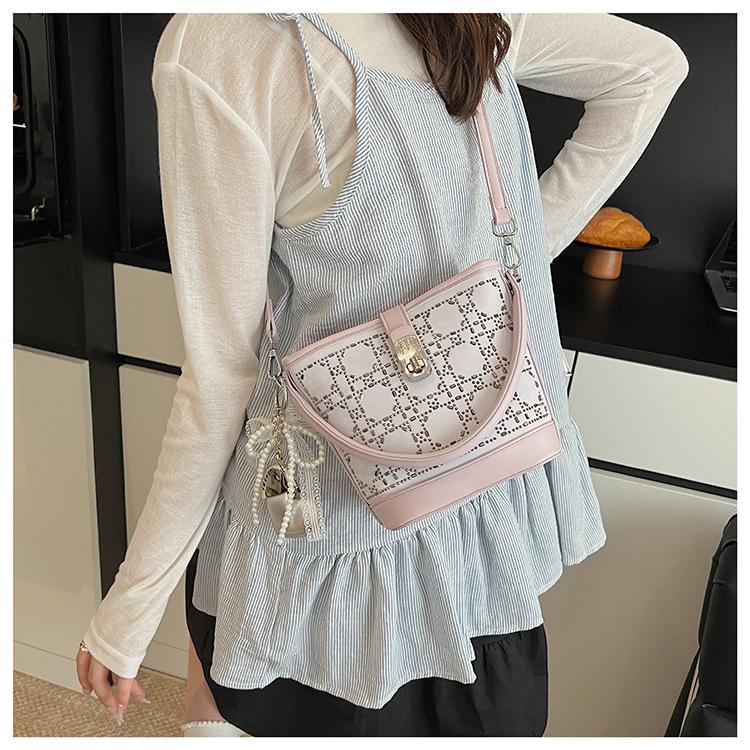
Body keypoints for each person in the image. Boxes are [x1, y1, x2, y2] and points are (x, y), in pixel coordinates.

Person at [75, 12, 688, 737]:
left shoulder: (222, 43)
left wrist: (129, 609)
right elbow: (650, 70)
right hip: (476, 510)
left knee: (243, 711)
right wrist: (508, 260)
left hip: (319, 530)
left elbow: (221, 378)